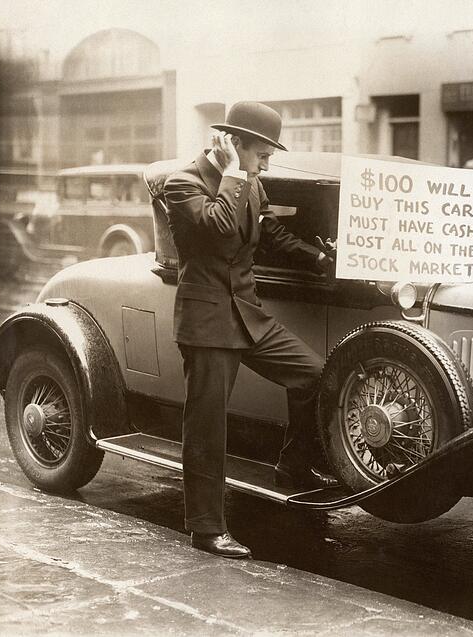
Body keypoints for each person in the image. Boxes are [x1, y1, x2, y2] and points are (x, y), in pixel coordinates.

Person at [163, 101, 337, 559]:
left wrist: (316, 256)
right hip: (207, 323)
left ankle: (293, 467)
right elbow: (220, 230)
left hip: (247, 314)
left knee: (316, 375)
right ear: (234, 144)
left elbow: (267, 233)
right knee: (207, 428)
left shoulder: (251, 183)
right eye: (262, 152)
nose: (267, 162)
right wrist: (233, 176)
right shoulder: (181, 184)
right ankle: (206, 529)